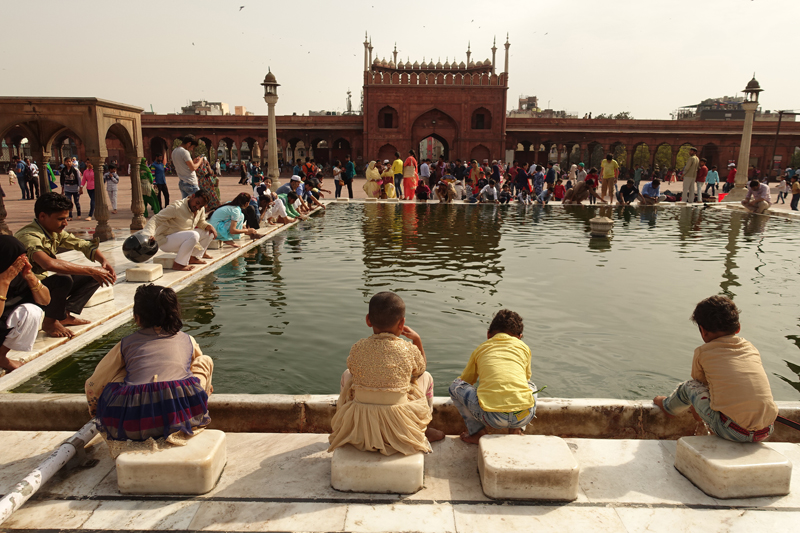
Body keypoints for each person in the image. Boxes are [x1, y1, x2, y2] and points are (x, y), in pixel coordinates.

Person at [85, 284, 214, 453]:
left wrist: (96, 411)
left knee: (120, 372)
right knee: (204, 360)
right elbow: (191, 370)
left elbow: (93, 384)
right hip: (182, 418)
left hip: (131, 425)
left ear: (137, 317)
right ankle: (203, 396)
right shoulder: (187, 339)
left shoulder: (126, 344)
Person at [327, 292, 444, 456]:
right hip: (400, 427)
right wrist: (417, 340)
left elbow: (355, 371)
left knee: (348, 375)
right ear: (402, 323)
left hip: (361, 426)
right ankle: (423, 430)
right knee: (427, 377)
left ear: (368, 320)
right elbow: (421, 368)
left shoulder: (358, 348)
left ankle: (350, 427)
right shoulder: (408, 349)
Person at [653, 296, 777, 443]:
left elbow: (700, 386)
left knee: (689, 387)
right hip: (766, 430)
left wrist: (698, 412)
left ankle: (668, 407)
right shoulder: (750, 348)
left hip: (732, 431)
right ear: (738, 328)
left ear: (703, 331)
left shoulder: (703, 352)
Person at [14, 193, 116, 338]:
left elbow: (83, 244)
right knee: (63, 279)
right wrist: (91, 269)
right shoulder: (29, 236)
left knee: (95, 276)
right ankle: (50, 322)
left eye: (66, 219)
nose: (65, 223)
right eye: (60, 219)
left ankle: (63, 315)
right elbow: (48, 264)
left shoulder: (52, 232)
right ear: (42, 216)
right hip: (22, 291)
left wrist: (103, 262)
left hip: (39, 287)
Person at [449, 309, 538, 444]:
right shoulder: (524, 348)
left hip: (491, 417)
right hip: (524, 416)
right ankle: (516, 430)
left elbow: (466, 381)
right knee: (531, 385)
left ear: (488, 334)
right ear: (519, 337)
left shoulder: (481, 349)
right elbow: (526, 378)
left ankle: (478, 432)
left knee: (455, 386)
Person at [0, 236, 51, 372]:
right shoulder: (6, 275)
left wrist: (30, 276)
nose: (22, 262)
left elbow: (45, 301)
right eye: (18, 259)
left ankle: (1, 356)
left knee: (32, 311)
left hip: (3, 326)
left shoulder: (17, 274)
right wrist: (4, 281)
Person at [140, 190, 217, 272]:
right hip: (166, 241)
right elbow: (156, 219)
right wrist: (148, 234)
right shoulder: (177, 207)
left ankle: (193, 257)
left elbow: (201, 222)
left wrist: (209, 226)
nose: (197, 207)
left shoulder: (200, 209)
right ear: (193, 196)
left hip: (183, 238)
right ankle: (179, 264)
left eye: (201, 206)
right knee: (194, 235)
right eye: (197, 203)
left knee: (209, 233)